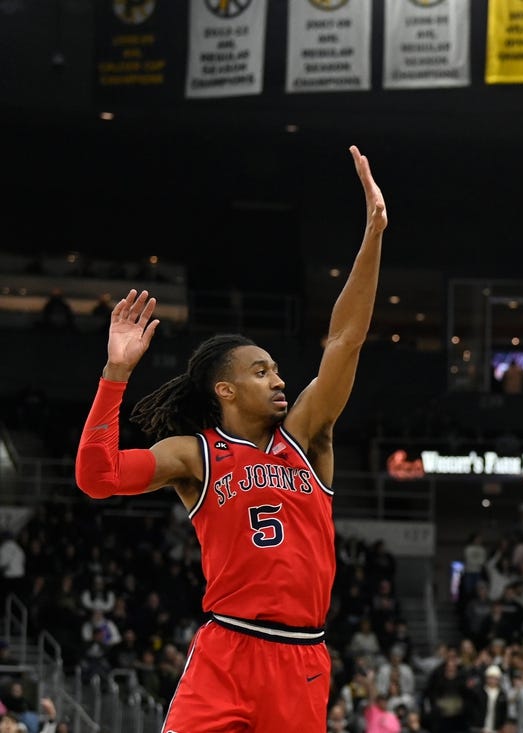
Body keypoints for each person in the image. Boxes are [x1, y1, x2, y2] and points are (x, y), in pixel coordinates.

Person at [73, 145, 388, 731]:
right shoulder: (193, 455)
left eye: (276, 369)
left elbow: (344, 340)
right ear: (225, 390)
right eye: (261, 371)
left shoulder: (308, 438)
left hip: (301, 658)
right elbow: (97, 478)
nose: (279, 379)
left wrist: (372, 237)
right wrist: (116, 374)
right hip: (227, 649)